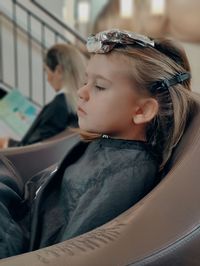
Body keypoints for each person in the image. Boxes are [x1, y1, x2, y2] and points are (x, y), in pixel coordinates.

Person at [0, 29, 195, 258]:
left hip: (18, 242)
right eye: (85, 81)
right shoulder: (107, 144)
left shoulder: (128, 172)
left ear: (142, 110)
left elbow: (73, 254)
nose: (81, 92)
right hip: (17, 217)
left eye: (99, 86)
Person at [0, 43, 87, 148]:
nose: (47, 79)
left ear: (59, 71)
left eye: (46, 71)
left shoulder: (59, 106)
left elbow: (32, 149)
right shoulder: (80, 104)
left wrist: (6, 143)